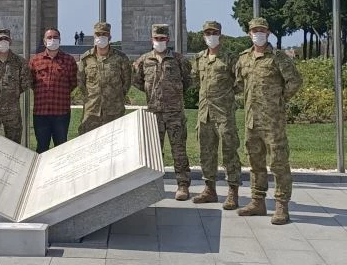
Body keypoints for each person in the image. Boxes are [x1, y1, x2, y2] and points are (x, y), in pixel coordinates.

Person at [236, 17, 303, 225]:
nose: (258, 33)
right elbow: (239, 83)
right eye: (255, 30)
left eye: (262, 30)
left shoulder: (278, 57)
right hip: (252, 121)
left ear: (269, 32)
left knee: (278, 163)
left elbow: (295, 81)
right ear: (249, 33)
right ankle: (258, 201)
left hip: (273, 121)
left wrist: (279, 100)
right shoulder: (244, 58)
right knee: (255, 163)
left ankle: (282, 205)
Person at [133, 24, 192, 201]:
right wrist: (153, 94)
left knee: (179, 150)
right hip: (155, 114)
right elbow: (137, 82)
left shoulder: (178, 60)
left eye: (163, 39)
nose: (160, 41)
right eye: (157, 38)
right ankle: (153, 185)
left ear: (168, 39)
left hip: (174, 114)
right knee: (155, 152)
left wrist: (172, 93)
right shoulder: (143, 61)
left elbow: (188, 81)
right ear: (152, 39)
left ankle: (182, 185)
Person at [191, 21, 242, 209]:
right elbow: (196, 80)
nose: (210, 36)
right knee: (206, 152)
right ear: (203, 35)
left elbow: (239, 82)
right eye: (207, 33)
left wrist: (225, 96)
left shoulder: (229, 57)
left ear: (220, 34)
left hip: (224, 114)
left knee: (229, 152)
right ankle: (209, 189)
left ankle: (232, 192)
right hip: (204, 113)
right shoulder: (199, 58)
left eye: (214, 32)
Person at [77, 22, 131, 134]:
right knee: (89, 145)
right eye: (98, 34)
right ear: (94, 36)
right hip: (92, 111)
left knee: (115, 146)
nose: (101, 37)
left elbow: (127, 82)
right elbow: (81, 82)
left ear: (110, 37)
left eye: (104, 34)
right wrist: (91, 97)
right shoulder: (86, 58)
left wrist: (116, 96)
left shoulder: (121, 58)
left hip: (114, 111)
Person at [28, 27, 77, 152]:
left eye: (55, 37)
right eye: (49, 37)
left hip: (61, 113)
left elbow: (73, 83)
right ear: (44, 41)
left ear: (60, 40)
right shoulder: (35, 60)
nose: (52, 40)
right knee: (42, 148)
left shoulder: (69, 60)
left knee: (61, 149)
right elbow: (31, 82)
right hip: (41, 113)